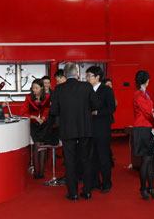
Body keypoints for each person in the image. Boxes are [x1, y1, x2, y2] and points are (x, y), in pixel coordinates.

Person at [49, 62, 99, 201]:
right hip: (85, 128)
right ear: (77, 73)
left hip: (67, 130)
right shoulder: (86, 86)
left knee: (70, 161)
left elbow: (54, 110)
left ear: (65, 75)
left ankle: (73, 193)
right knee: (86, 160)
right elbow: (96, 104)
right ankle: (87, 192)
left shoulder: (59, 89)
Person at [87, 66, 116, 194]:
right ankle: (95, 182)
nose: (88, 78)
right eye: (87, 76)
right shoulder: (87, 89)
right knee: (92, 157)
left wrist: (97, 112)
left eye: (90, 76)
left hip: (102, 128)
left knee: (103, 157)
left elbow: (111, 108)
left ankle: (106, 183)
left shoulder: (106, 90)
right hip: (89, 128)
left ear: (98, 77)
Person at [133, 70, 154, 200]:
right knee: (146, 160)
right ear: (147, 81)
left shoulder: (143, 93)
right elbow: (148, 113)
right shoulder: (139, 94)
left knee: (150, 160)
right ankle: (143, 188)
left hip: (146, 128)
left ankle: (151, 188)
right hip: (142, 128)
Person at [20, 79, 50, 179]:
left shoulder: (47, 97)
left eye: (36, 88)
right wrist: (34, 118)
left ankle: (41, 170)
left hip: (44, 124)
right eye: (33, 88)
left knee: (43, 145)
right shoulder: (28, 98)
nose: (34, 90)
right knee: (37, 145)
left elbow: (47, 110)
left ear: (41, 88)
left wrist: (43, 118)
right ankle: (36, 171)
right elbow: (23, 113)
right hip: (33, 124)